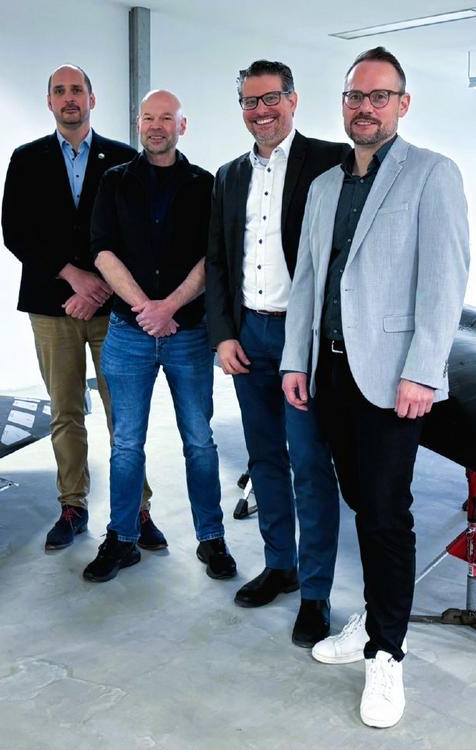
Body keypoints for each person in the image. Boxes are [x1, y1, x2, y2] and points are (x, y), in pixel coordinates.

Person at [281, 47, 470, 727]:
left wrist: (423, 370)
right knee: (362, 502)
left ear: (402, 104)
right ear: (343, 103)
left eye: (379, 96)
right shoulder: (325, 187)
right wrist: (295, 360)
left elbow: (445, 280)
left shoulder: (432, 174)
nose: (365, 108)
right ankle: (372, 616)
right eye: (355, 96)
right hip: (330, 372)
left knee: (386, 513)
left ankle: (387, 652)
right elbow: (308, 279)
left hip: (392, 377)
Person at [204, 60, 348, 646]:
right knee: (264, 459)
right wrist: (223, 334)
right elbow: (218, 259)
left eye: (270, 99)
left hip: (303, 337)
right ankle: (280, 566)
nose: (260, 111)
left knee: (310, 466)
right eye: (249, 102)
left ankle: (315, 592)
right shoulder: (228, 175)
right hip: (249, 337)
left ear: (293, 100)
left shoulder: (331, 162)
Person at [1, 64, 164, 552]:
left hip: (114, 310)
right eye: (60, 91)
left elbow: (137, 235)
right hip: (51, 305)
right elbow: (16, 232)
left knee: (123, 413)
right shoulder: (26, 159)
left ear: (92, 99)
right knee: (65, 410)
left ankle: (137, 508)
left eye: (77, 90)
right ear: (49, 101)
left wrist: (101, 288)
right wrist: (73, 277)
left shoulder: (124, 158)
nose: (69, 97)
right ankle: (72, 505)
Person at [84, 89, 234, 583]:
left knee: (200, 441)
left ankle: (211, 538)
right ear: (138, 123)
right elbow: (103, 252)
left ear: (181, 126)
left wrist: (168, 307)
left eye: (166, 118)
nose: (156, 125)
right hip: (129, 334)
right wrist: (146, 310)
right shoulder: (114, 181)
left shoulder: (205, 184)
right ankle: (122, 539)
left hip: (187, 333)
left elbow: (212, 257)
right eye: (148, 117)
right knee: (126, 444)